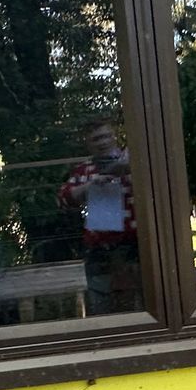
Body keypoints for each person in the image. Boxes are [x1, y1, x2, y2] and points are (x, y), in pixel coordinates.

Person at [58, 114, 142, 315]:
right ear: (87, 143)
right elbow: (63, 199)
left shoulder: (136, 163)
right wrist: (91, 185)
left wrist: (128, 167)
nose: (103, 142)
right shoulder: (84, 170)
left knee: (141, 306)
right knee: (102, 308)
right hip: (100, 251)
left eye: (106, 136)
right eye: (96, 139)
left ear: (115, 136)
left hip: (136, 248)